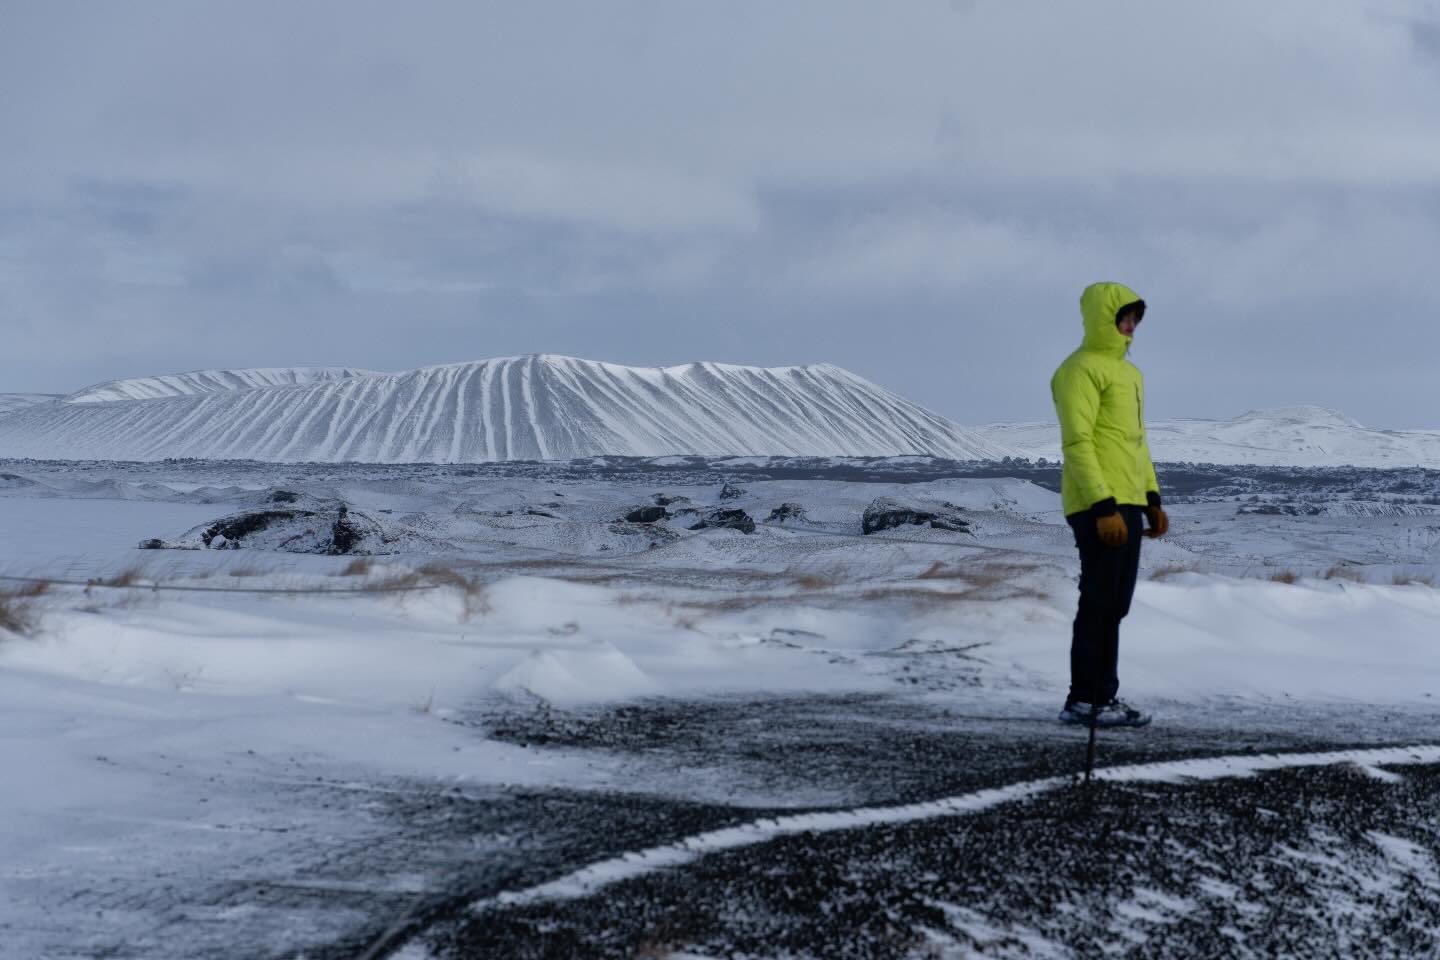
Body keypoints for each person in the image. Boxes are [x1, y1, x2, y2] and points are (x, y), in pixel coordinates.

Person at [1050, 281, 1168, 728]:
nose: (1130, 325)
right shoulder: (1078, 370)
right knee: (1098, 601)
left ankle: (1103, 696)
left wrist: (1151, 498)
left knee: (1116, 604)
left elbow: (1136, 445)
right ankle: (1084, 699)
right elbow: (1077, 442)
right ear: (1104, 318)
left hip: (1130, 502)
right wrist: (1102, 506)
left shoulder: (1130, 374)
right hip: (1097, 504)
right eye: (1123, 317)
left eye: (1135, 318)